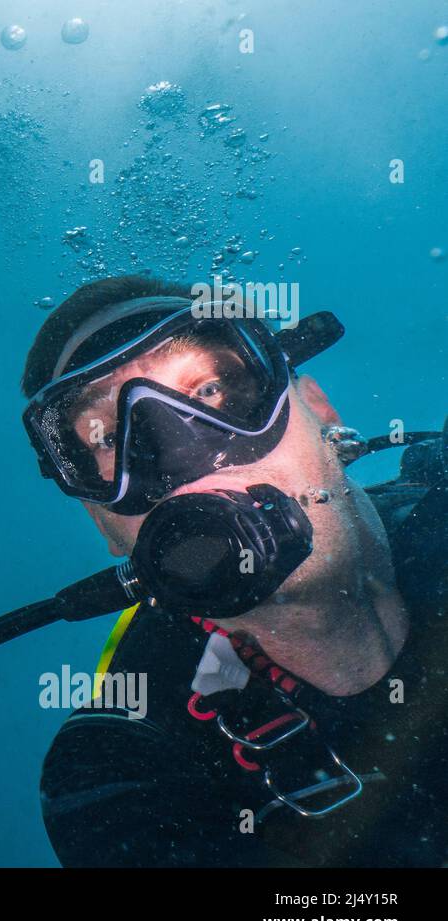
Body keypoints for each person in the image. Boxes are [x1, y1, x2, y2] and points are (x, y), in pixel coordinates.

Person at [24, 275, 448, 866]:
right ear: (104, 522)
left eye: (214, 389)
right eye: (113, 436)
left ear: (321, 414)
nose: (179, 454)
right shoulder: (122, 766)